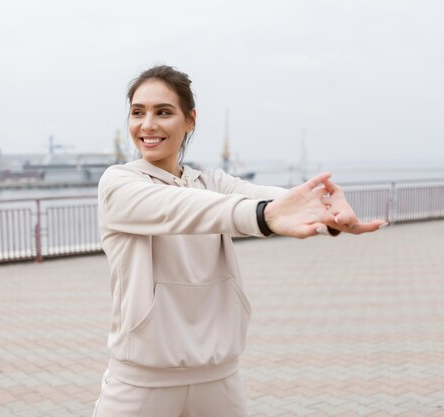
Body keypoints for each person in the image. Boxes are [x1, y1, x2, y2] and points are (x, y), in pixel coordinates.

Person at [94, 65, 386, 417]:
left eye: (164, 112)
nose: (148, 125)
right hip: (140, 383)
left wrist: (329, 216)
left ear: (190, 120)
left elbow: (273, 200)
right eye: (138, 113)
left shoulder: (211, 182)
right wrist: (263, 216)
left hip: (220, 378)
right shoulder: (119, 184)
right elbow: (184, 209)